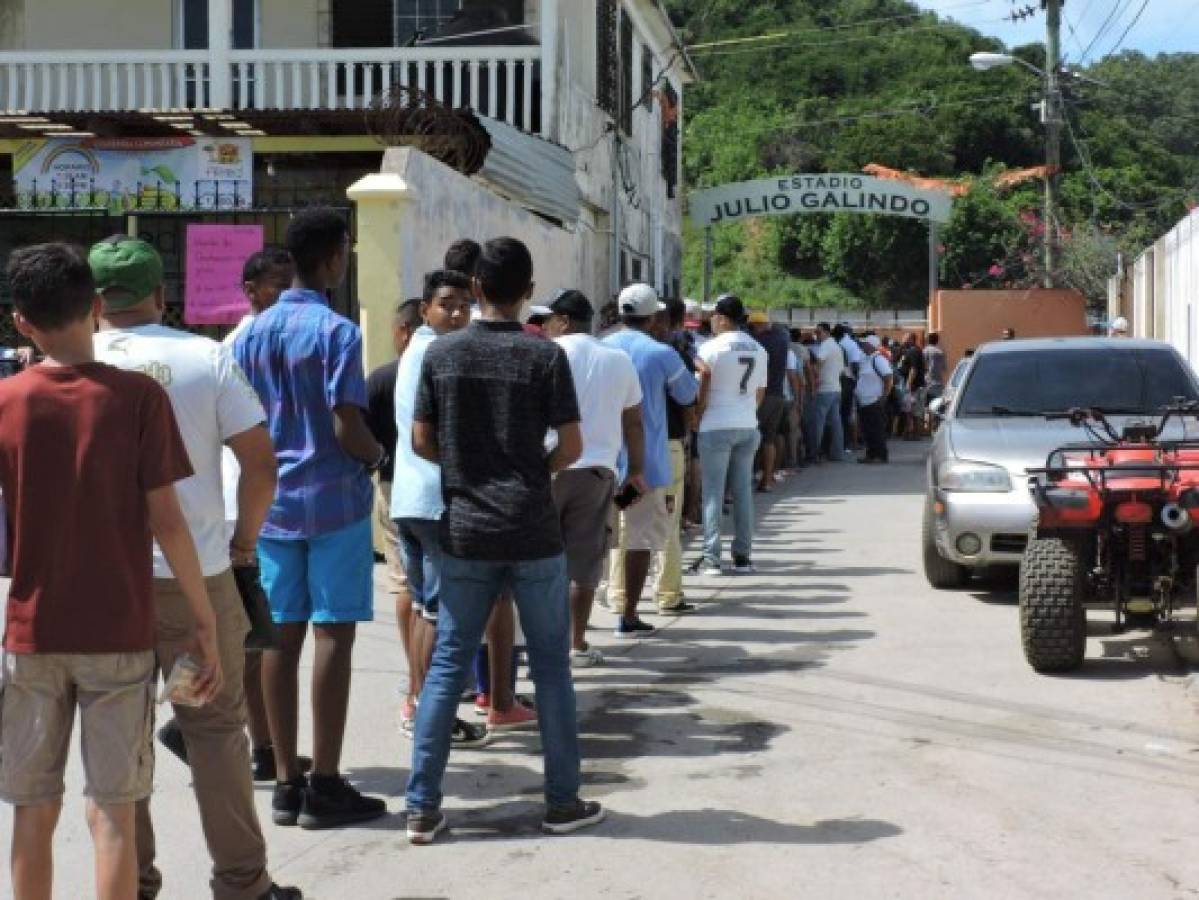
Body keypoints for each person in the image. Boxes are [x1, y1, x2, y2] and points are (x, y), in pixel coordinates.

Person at [0, 243, 222, 900]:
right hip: (119, 633)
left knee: (33, 807)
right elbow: (168, 521)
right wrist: (204, 619)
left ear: (21, 322)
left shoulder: (7, 400)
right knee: (112, 808)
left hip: (33, 633)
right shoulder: (138, 398)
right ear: (96, 306)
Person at [89, 236, 300, 900]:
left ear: (95, 301)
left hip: (104, 587)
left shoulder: (72, 361)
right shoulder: (206, 357)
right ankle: (242, 883)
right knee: (213, 730)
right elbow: (261, 465)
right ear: (161, 294)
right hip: (196, 583)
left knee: (119, 738)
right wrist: (243, 544)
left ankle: (131, 882)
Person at [404, 237, 603, 843]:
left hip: (465, 529)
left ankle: (422, 807)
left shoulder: (442, 353)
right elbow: (571, 446)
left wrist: (468, 469)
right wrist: (532, 470)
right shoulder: (545, 357)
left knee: (446, 665)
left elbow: (420, 440)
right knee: (551, 669)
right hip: (533, 529)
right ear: (528, 290)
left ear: (477, 289)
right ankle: (562, 802)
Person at [233, 209, 388, 830]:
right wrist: (377, 456)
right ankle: (325, 781)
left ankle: (285, 781)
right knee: (333, 637)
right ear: (333, 258)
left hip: (272, 504)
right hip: (334, 501)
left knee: (280, 638)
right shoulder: (337, 332)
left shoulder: (250, 335)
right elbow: (348, 424)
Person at [390, 271, 488, 745]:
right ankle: (432, 716)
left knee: (421, 607)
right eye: (447, 304)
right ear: (425, 308)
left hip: (410, 497)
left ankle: (418, 703)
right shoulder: (439, 353)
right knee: (435, 611)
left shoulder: (417, 349)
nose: (457, 313)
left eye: (465, 305)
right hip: (434, 498)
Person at [221, 248, 302, 784]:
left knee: (253, 635)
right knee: (247, 637)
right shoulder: (237, 347)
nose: (287, 294)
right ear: (251, 290)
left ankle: (262, 745)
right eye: (277, 284)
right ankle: (240, 739)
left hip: (268, 505)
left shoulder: (291, 338)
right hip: (242, 510)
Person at [542, 288, 646, 662]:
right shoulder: (618, 360)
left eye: (548, 320)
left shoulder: (547, 354)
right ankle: (575, 644)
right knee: (583, 563)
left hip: (547, 467)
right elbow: (633, 422)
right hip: (598, 472)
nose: (545, 327)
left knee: (537, 560)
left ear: (563, 321)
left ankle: (538, 645)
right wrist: (636, 469)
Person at [603, 283, 699, 637]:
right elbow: (687, 395)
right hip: (646, 464)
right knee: (641, 538)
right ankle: (629, 615)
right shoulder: (661, 354)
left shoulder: (602, 346)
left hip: (605, 461)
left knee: (611, 532)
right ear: (654, 316)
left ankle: (611, 599)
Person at [696, 294, 767, 575]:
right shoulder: (759, 349)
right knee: (742, 492)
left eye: (714, 315)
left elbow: (701, 386)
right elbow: (760, 391)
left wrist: (698, 414)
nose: (712, 320)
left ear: (723, 319)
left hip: (715, 423)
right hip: (747, 423)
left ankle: (711, 558)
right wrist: (746, 412)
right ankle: (743, 556)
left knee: (713, 493)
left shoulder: (710, 348)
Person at [367, 298, 423, 596]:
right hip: (440, 485)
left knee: (403, 580)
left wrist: (376, 461)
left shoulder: (381, 379)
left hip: (393, 484)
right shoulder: (447, 372)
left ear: (403, 330)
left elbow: (362, 430)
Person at [652, 298, 697, 612]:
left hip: (625, 457)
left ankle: (618, 594)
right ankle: (668, 594)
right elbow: (688, 395)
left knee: (624, 519)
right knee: (666, 519)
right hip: (665, 451)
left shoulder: (612, 349)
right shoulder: (670, 355)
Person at [747, 309, 790, 492]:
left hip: (762, 395)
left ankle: (746, 478)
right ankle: (767, 480)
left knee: (751, 438)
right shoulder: (782, 340)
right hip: (778, 394)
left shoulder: (759, 343)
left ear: (758, 325)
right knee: (769, 439)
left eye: (752, 326)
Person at [805, 322, 845, 463]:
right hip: (836, 388)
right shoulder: (837, 347)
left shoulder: (825, 346)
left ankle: (814, 454)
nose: (816, 335)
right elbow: (841, 370)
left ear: (827, 333)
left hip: (824, 389)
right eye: (815, 332)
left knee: (818, 422)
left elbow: (818, 364)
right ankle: (837, 453)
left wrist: (813, 376)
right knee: (836, 422)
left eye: (819, 332)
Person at [855, 335, 894, 465]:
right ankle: (871, 454)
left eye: (865, 343)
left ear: (871, 345)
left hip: (874, 400)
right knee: (867, 430)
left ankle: (881, 455)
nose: (863, 345)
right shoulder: (866, 358)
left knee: (876, 430)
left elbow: (888, 377)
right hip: (864, 401)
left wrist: (884, 396)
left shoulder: (878, 359)